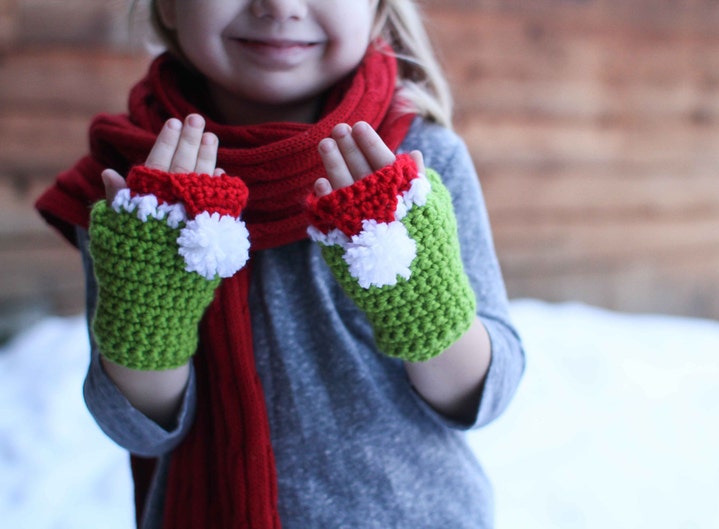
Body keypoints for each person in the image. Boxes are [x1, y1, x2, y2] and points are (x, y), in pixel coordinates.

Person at [35, 0, 525, 528]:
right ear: (170, 6)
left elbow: (487, 395)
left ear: (379, 11)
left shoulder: (418, 162)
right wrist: (151, 317)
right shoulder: (142, 192)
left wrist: (422, 302)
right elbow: (137, 428)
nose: (280, 6)